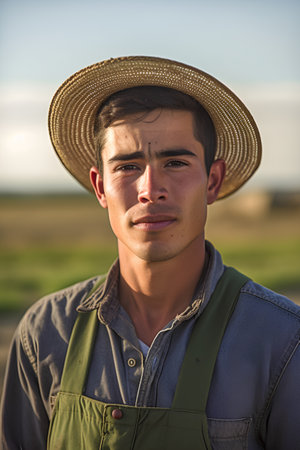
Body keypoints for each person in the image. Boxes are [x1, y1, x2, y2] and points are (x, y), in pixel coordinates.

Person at [1, 56, 300, 450]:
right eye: (127, 166)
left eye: (175, 162)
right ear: (100, 187)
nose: (150, 189)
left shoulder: (282, 339)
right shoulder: (45, 334)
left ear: (212, 181)